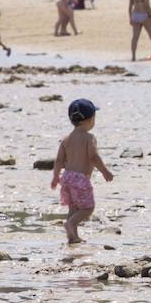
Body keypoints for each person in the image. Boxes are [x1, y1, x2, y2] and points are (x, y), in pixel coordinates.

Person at [51, 98, 113, 244]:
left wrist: (55, 176)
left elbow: (59, 160)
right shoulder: (89, 138)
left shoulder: (66, 139)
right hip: (80, 178)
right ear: (90, 119)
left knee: (73, 208)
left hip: (66, 178)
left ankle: (72, 236)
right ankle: (71, 225)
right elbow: (93, 157)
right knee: (88, 208)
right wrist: (105, 171)